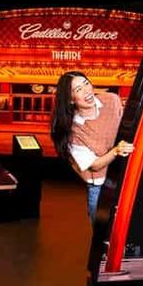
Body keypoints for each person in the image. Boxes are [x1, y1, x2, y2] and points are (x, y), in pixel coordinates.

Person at [51, 71, 133, 222]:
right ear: (70, 99)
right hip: (101, 187)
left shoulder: (111, 100)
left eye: (86, 83)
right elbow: (95, 166)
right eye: (78, 89)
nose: (86, 90)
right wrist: (116, 151)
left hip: (127, 177)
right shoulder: (73, 131)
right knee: (103, 232)